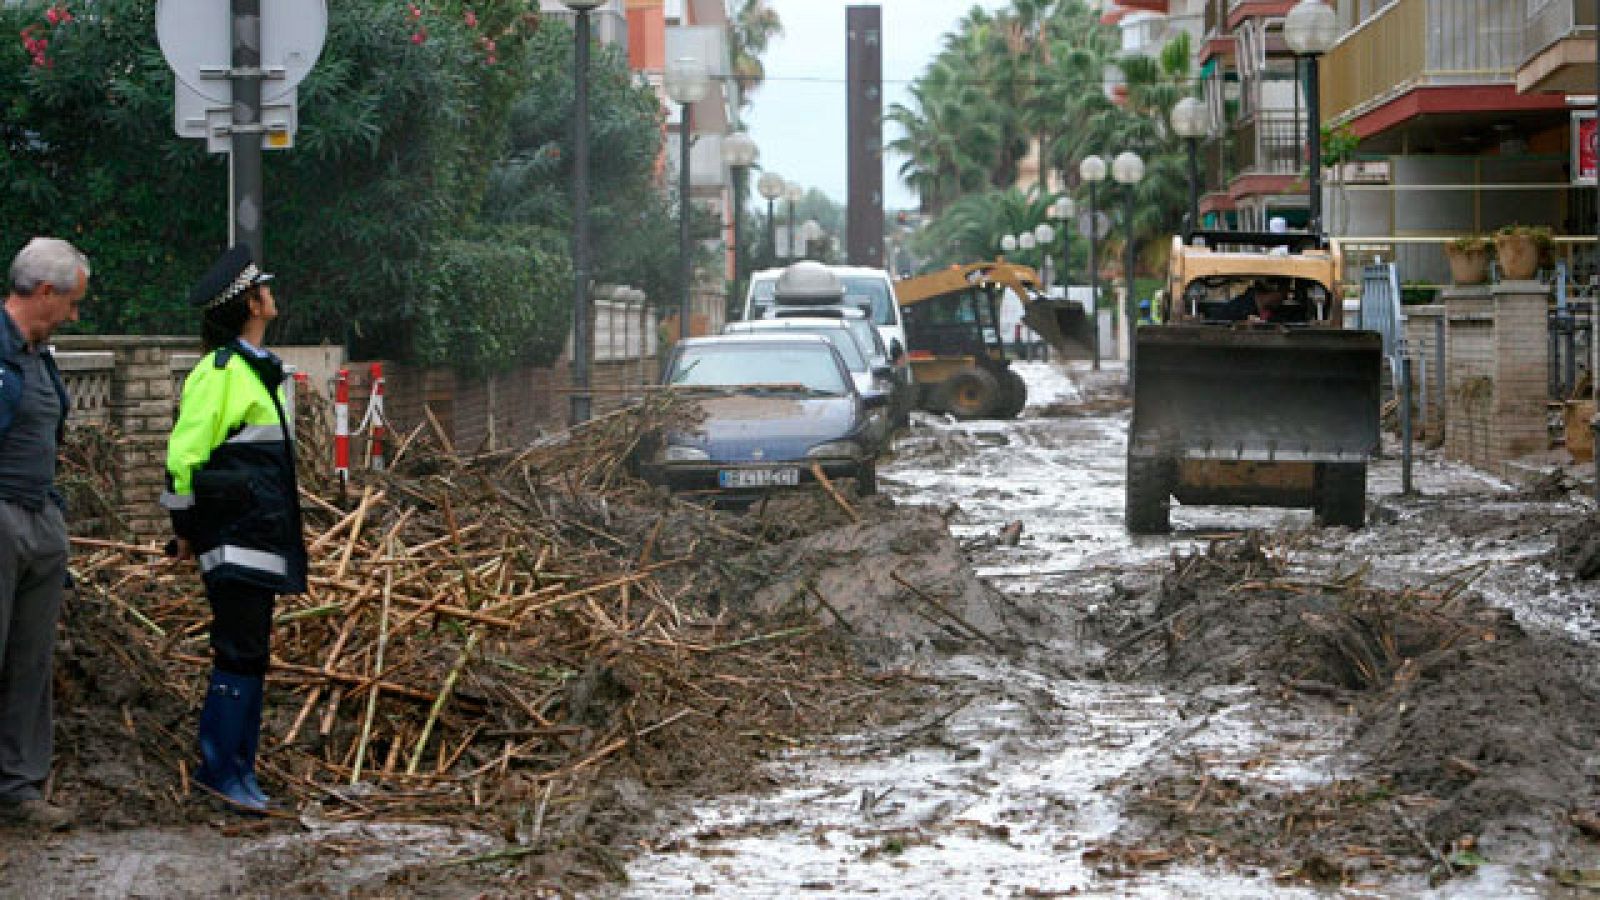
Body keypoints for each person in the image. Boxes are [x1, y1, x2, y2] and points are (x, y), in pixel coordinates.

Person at [162, 244, 306, 813]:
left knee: (250, 653)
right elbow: (182, 458)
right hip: (234, 538)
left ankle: (237, 770)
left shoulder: (256, 371)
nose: (273, 295)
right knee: (238, 651)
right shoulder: (219, 373)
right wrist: (185, 528)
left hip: (260, 537)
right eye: (265, 288)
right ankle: (220, 771)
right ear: (252, 300)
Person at [0, 238, 90, 831]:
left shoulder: (40, 355)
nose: (76, 314)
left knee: (30, 662)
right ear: (44, 292)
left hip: (39, 517)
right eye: (73, 303)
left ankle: (18, 789)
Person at [1211, 277, 1292, 323]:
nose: (1285, 298)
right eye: (1283, 294)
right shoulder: (1232, 311)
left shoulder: (1278, 313)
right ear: (1271, 289)